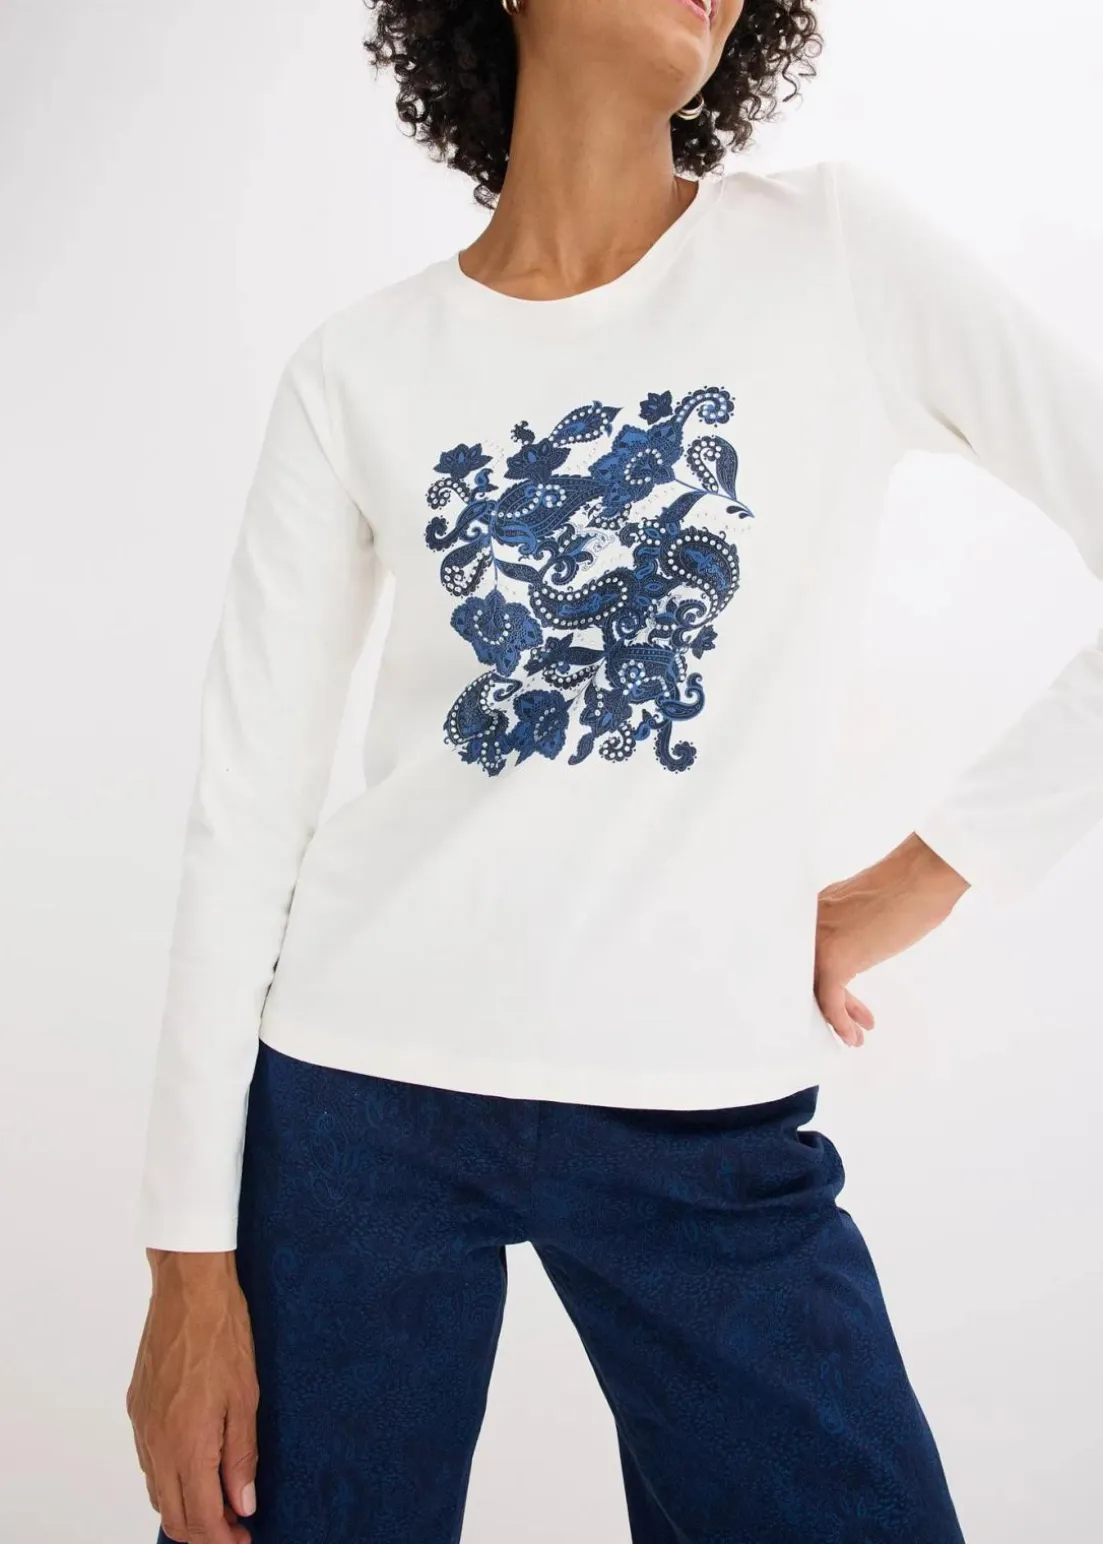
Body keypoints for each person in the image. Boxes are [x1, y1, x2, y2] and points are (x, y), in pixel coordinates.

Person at [125, 1, 1103, 1540]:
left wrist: (928, 874)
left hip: (699, 1118)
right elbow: (243, 811)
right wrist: (186, 1264)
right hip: (355, 1104)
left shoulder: (837, 257)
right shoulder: (359, 367)